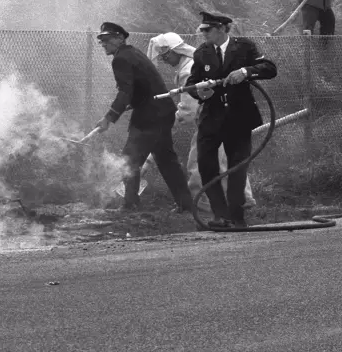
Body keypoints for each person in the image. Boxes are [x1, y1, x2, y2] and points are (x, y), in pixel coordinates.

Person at [143, 33, 257, 210]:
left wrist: (168, 121)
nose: (165, 60)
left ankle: (202, 203)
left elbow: (188, 111)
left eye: (166, 56)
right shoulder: (195, 63)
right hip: (224, 116)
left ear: (176, 51)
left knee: (198, 162)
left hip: (212, 121)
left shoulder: (188, 70)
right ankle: (244, 198)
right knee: (228, 159)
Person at [185, 12, 277, 229]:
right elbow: (192, 83)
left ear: (222, 29)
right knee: (207, 166)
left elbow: (269, 68)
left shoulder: (244, 47)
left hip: (239, 117)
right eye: (203, 30)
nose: (203, 34)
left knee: (237, 168)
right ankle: (220, 215)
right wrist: (201, 92)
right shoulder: (202, 53)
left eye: (207, 30)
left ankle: (236, 217)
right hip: (211, 119)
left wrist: (245, 72)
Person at [92, 22, 194, 212]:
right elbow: (142, 87)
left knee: (129, 161)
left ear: (120, 38)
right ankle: (186, 204)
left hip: (150, 116)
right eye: (101, 41)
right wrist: (131, 104)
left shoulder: (121, 59)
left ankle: (130, 205)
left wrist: (109, 118)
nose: (103, 44)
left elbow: (125, 92)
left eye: (107, 39)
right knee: (167, 161)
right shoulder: (133, 53)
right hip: (162, 112)